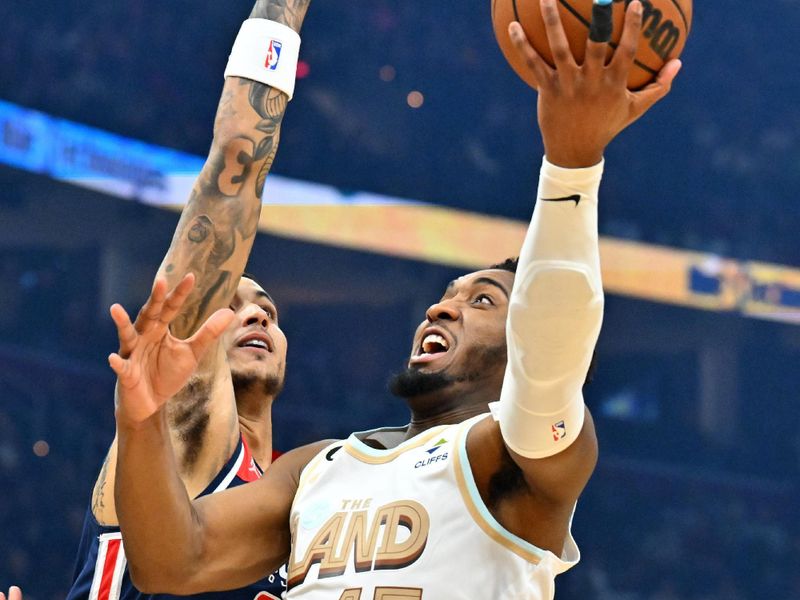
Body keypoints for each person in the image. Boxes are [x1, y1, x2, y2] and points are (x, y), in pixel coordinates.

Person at [109, 1, 681, 598]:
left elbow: (552, 355)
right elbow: (172, 562)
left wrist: (572, 165)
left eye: (482, 301)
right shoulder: (317, 467)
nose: (441, 309)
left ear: (523, 341)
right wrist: (142, 418)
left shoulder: (510, 458)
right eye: (445, 296)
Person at [65, 0, 312, 597]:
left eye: (270, 313)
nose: (255, 313)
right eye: (235, 303)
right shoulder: (181, 422)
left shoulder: (290, 506)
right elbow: (235, 168)